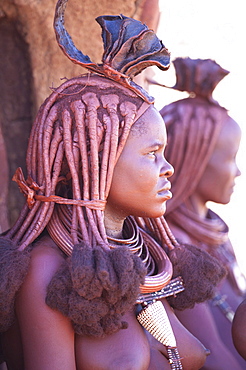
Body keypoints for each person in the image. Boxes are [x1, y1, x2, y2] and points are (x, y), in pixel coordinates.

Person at [0, 2, 227, 369]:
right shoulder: (47, 268)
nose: (167, 169)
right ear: (96, 157)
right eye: (152, 153)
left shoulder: (142, 256)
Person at [160, 57, 246, 369]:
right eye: (230, 158)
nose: (237, 172)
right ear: (194, 160)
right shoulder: (177, 249)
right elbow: (212, 354)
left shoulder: (213, 232)